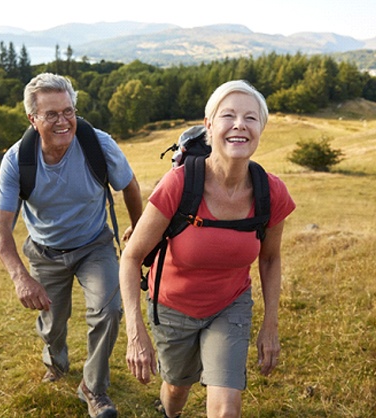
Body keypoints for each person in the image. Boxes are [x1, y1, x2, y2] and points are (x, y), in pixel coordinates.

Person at [119, 80, 296, 418]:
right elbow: (131, 257)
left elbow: (270, 258)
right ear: (209, 126)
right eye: (228, 115)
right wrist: (135, 332)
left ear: (261, 129)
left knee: (227, 408)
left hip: (230, 305)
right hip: (171, 307)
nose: (240, 124)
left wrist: (270, 325)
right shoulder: (181, 183)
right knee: (176, 390)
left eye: (251, 118)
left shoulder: (270, 192)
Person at [0, 73, 142, 418]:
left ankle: (93, 387)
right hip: (45, 251)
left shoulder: (98, 144)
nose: (63, 121)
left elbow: (129, 186)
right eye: (52, 114)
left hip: (94, 245)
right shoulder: (17, 160)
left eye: (68, 111)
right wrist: (20, 277)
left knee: (109, 310)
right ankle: (56, 361)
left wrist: (138, 229)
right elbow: (0, 227)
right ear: (33, 119)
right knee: (52, 324)